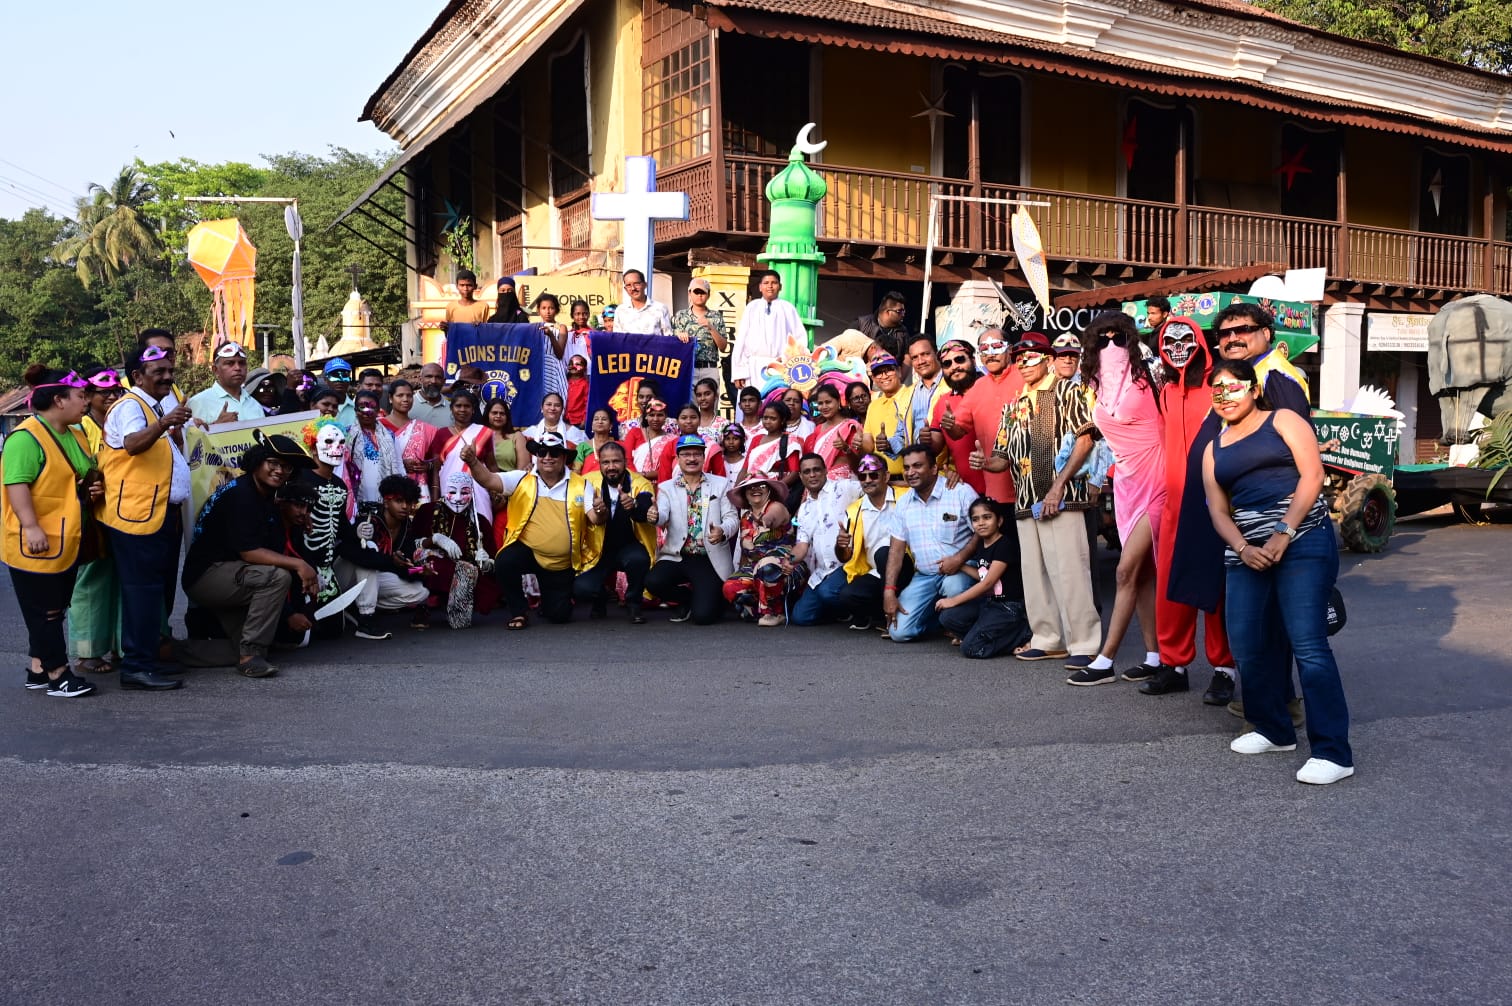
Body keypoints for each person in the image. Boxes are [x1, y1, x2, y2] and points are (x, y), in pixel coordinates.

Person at [1202, 358, 1353, 785]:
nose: (1224, 395)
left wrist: (1283, 533)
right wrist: (1243, 547)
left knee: (1307, 644)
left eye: (1233, 386)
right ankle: (1272, 728)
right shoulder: (1214, 448)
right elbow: (1217, 508)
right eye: (1217, 389)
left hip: (1302, 539)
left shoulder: (1283, 419)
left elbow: (1312, 475)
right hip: (1246, 553)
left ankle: (1333, 752)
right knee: (1247, 643)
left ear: (1253, 390)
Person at [980, 333, 1102, 671]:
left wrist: (1058, 487)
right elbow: (1001, 458)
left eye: (1031, 355)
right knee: (1035, 574)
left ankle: (1084, 643)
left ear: (1048, 358)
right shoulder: (1015, 402)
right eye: (1018, 356)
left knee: (1070, 571)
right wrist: (983, 462)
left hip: (1061, 496)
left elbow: (1086, 437)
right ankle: (1048, 639)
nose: (1023, 361)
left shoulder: (1067, 390)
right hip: (1025, 500)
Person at [1074, 312, 1166, 687]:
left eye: (1119, 338)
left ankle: (1105, 659)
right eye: (1103, 338)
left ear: (1131, 339)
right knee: (1142, 575)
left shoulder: (1151, 377)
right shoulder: (1094, 384)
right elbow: (1093, 440)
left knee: (1125, 571)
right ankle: (1155, 656)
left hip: (1159, 480)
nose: (1112, 346)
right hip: (1126, 486)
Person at [181, 433, 320, 678]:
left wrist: (295, 524)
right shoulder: (242, 495)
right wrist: (301, 564)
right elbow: (249, 552)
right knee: (277, 577)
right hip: (207, 575)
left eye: (286, 467)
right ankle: (250, 656)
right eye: (273, 463)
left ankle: (171, 651)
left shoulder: (264, 496)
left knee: (240, 648)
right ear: (257, 461)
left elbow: (271, 546)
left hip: (233, 575)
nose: (279, 471)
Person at [1152, 314, 1238, 703]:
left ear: (1201, 342)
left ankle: (1224, 668)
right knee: (1172, 586)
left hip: (1213, 502)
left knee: (1216, 587)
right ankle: (1174, 665)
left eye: (1186, 339)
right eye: (1169, 341)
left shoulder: (1218, 388)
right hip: (1173, 503)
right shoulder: (1166, 391)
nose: (1177, 348)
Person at [101, 345, 194, 691]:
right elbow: (132, 444)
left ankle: (147, 659)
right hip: (137, 515)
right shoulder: (130, 405)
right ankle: (137, 666)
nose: (168, 377)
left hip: (157, 514)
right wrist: (164, 423)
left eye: (170, 371)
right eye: (159, 372)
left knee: (153, 592)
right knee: (141, 592)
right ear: (137, 377)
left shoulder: (153, 406)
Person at [4, 367, 101, 697]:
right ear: (59, 401)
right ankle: (59, 675)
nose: (85, 401)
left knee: (55, 608)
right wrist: (31, 526)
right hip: (34, 540)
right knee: (45, 611)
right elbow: (16, 484)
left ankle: (37, 669)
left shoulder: (73, 433)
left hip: (65, 536)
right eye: (79, 396)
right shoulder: (25, 437)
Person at [470, 431, 589, 628]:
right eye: (542, 453)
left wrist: (600, 511)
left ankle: (549, 603)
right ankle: (519, 611)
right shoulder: (521, 478)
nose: (547, 458)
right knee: (505, 561)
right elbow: (488, 480)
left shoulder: (581, 485)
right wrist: (473, 461)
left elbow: (595, 516)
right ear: (536, 456)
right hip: (528, 551)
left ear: (564, 457)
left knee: (559, 615)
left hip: (560, 562)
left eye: (554, 453)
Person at [295, 417, 398, 640]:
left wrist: (358, 532)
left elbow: (341, 528)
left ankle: (366, 618)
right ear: (313, 447)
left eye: (341, 443)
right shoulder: (299, 480)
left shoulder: (340, 485)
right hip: (302, 566)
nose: (337, 448)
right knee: (312, 634)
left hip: (331, 567)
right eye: (329, 442)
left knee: (367, 548)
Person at [880, 445, 977, 642]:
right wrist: (889, 591)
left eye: (917, 466)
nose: (910, 472)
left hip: (961, 571)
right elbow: (896, 551)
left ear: (934, 469)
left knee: (953, 586)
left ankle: (964, 620)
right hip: (924, 577)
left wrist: (959, 559)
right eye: (906, 467)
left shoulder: (960, 492)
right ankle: (942, 621)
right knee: (899, 633)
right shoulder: (904, 504)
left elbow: (982, 533)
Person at [646, 434, 738, 624]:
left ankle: (709, 598)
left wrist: (722, 531)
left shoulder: (720, 484)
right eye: (686, 454)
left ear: (703, 458)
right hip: (678, 555)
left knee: (703, 617)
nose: (691, 459)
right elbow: (662, 513)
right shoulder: (666, 487)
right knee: (653, 582)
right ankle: (686, 598)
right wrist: (655, 516)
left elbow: (732, 519)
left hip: (708, 557)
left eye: (697, 454)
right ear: (678, 459)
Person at [70, 365, 124, 673]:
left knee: (122, 578)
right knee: (92, 580)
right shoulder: (81, 428)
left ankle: (121, 645)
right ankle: (88, 651)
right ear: (88, 396)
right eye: (105, 393)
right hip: (92, 514)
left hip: (123, 511)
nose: (112, 397)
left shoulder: (123, 419)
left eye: (117, 392)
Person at [935, 498, 1032, 659]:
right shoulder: (982, 545)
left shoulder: (1004, 544)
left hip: (1008, 607)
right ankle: (983, 636)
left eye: (987, 517)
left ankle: (1022, 635)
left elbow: (988, 583)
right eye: (975, 519)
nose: (981, 523)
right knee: (947, 617)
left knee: (971, 649)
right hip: (990, 604)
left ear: (999, 521)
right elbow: (982, 575)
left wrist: (953, 600)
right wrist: (960, 566)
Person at [576, 440, 656, 623]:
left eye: (616, 461)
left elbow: (645, 508)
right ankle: (600, 598)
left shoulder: (640, 483)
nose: (611, 467)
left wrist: (634, 505)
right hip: (598, 550)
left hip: (630, 546)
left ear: (625, 462)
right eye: (606, 462)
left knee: (638, 560)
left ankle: (634, 603)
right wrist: (596, 511)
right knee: (581, 589)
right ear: (600, 464)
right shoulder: (587, 481)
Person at [412, 468, 500, 628]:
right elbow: (410, 545)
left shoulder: (480, 523)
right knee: (424, 555)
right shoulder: (427, 512)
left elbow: (493, 565)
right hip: (433, 565)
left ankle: (453, 606)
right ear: (445, 491)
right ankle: (421, 605)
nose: (458, 498)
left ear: (472, 493)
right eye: (452, 491)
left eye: (464, 492)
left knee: (460, 624)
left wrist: (486, 561)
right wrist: (435, 539)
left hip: (463, 575)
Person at [947, 328, 1023, 507]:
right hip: (997, 491)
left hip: (1032, 487)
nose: (990, 354)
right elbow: (957, 431)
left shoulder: (1026, 375)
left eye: (996, 346)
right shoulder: (978, 387)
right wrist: (949, 425)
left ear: (1010, 349)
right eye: (984, 349)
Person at [832, 453, 904, 630]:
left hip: (905, 567)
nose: (867, 480)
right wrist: (840, 545)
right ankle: (881, 616)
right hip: (875, 572)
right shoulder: (854, 509)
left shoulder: (905, 497)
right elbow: (845, 557)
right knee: (847, 595)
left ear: (886, 476)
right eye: (862, 476)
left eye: (873, 475)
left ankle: (896, 614)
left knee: (884, 553)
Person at [350, 475, 432, 630]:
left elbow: (402, 566)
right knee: (370, 550)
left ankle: (359, 606)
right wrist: (391, 561)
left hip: (377, 579)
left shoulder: (406, 525)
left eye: (408, 502)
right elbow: (355, 554)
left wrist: (420, 570)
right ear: (386, 502)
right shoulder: (369, 520)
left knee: (420, 593)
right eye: (399, 501)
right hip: (351, 577)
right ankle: (366, 616)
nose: (405, 506)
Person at [788, 453, 862, 626]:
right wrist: (787, 560)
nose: (812, 475)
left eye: (816, 470)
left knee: (827, 593)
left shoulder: (845, 488)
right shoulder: (804, 509)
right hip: (822, 572)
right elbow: (802, 545)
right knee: (800, 617)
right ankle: (835, 609)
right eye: (807, 472)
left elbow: (874, 485)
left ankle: (858, 611)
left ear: (825, 471)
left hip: (848, 565)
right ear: (800, 476)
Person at [722, 471, 801, 626]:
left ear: (769, 490)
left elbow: (773, 517)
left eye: (761, 486)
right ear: (745, 493)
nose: (755, 489)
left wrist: (765, 520)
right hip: (756, 568)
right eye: (750, 487)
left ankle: (774, 612)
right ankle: (762, 609)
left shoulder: (776, 506)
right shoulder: (745, 518)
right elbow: (746, 553)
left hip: (785, 566)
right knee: (730, 586)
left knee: (766, 566)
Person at [923, 340, 985, 495]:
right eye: (947, 364)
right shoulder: (942, 402)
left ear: (972, 360)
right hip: (966, 492)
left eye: (959, 359)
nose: (954, 367)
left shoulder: (989, 388)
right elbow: (935, 448)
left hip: (1004, 489)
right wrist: (926, 439)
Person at [425, 389, 496, 522]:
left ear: (473, 409)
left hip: (478, 492)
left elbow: (492, 466)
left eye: (467, 406)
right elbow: (436, 469)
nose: (462, 409)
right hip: (449, 492)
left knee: (480, 529)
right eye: (458, 406)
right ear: (451, 409)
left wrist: (496, 493)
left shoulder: (484, 433)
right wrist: (435, 499)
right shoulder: (442, 434)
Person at [732, 270, 804, 388]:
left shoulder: (788, 308)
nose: (770, 286)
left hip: (780, 366)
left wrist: (788, 358)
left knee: (776, 402)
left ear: (780, 287)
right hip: (753, 367)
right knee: (752, 402)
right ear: (760, 287)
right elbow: (741, 340)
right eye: (766, 283)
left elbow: (800, 338)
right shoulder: (752, 307)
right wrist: (739, 372)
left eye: (774, 283)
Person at [382, 378, 436, 504]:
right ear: (390, 398)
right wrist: (400, 464)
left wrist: (427, 466)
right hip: (387, 488)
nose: (405, 399)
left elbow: (435, 461)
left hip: (418, 491)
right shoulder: (379, 426)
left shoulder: (424, 429)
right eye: (400, 395)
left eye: (409, 395)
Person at [861, 354, 914, 480]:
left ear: (899, 371)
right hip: (881, 482)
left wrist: (891, 444)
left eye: (889, 370)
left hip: (910, 480)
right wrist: (857, 442)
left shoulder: (912, 395)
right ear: (873, 378)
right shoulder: (873, 405)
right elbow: (868, 446)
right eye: (878, 373)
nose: (884, 376)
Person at [347, 389, 401, 505]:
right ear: (355, 410)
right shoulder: (346, 434)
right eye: (362, 407)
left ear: (378, 410)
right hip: (356, 492)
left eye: (372, 407)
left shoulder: (389, 435)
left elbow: (399, 465)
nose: (367, 412)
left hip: (384, 492)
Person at [674, 277, 731, 388]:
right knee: (689, 404)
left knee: (710, 403)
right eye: (696, 292)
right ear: (690, 293)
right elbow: (673, 343)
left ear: (708, 295)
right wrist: (679, 336)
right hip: (688, 368)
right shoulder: (680, 316)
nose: (699, 295)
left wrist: (710, 327)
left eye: (703, 292)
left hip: (709, 369)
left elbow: (723, 347)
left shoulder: (716, 316)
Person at [187, 342, 262, 425]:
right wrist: (217, 425)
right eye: (230, 363)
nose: (238, 368)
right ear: (215, 370)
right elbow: (189, 437)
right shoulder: (198, 402)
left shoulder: (255, 405)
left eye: (242, 363)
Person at [804, 383, 863, 480]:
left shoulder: (850, 426)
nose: (824, 407)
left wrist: (846, 448)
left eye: (828, 402)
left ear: (839, 402)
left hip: (845, 484)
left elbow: (859, 464)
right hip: (820, 483)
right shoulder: (818, 429)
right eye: (820, 403)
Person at [655, 404, 726, 482]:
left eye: (693, 417)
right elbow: (664, 477)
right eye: (684, 418)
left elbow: (720, 478)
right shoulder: (671, 446)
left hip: (706, 492)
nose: (688, 421)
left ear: (699, 421)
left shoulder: (711, 446)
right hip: (674, 492)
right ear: (677, 422)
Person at [741, 400, 801, 491]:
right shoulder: (756, 439)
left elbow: (795, 473)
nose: (768, 421)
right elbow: (744, 469)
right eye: (765, 418)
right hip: (751, 489)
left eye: (773, 418)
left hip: (775, 491)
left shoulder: (790, 441)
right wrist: (738, 490)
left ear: (782, 420)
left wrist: (775, 489)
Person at [905, 337, 949, 436]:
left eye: (925, 354)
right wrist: (889, 444)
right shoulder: (908, 393)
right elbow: (901, 432)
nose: (920, 361)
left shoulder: (952, 385)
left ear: (937, 354)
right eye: (915, 357)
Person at [613, 269, 675, 337]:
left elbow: (668, 336)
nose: (633, 288)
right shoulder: (620, 310)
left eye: (637, 284)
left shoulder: (660, 308)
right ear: (625, 289)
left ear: (645, 285)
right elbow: (617, 339)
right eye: (628, 285)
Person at [856, 291, 912, 365]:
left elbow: (907, 358)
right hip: (862, 374)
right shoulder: (861, 324)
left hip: (889, 375)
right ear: (888, 312)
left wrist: (900, 376)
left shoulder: (903, 332)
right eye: (900, 311)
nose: (903, 314)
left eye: (904, 311)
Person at [482, 397, 528, 474]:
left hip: (511, 483)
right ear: (487, 415)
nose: (498, 416)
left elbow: (522, 470)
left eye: (502, 413)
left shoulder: (517, 437)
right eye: (494, 413)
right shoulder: (479, 436)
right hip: (481, 483)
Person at [627, 398, 671, 476]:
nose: (655, 419)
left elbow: (668, 468)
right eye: (651, 415)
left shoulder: (671, 440)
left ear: (665, 417)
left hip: (660, 483)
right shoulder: (634, 433)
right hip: (635, 482)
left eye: (660, 415)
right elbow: (626, 459)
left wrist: (645, 475)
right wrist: (637, 477)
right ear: (646, 416)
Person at [575, 407, 620, 475]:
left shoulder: (618, 446)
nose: (600, 422)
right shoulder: (582, 447)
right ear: (592, 425)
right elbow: (576, 471)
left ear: (610, 426)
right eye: (596, 419)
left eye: (604, 419)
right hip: (587, 483)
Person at [410, 362, 452, 428]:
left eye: (438, 377)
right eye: (429, 376)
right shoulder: (407, 405)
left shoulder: (452, 408)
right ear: (420, 379)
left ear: (444, 381)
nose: (433, 381)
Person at [322, 358, 358, 427]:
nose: (340, 380)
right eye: (335, 375)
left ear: (349, 380)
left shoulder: (357, 409)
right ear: (325, 379)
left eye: (344, 375)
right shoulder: (318, 408)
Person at [565, 301, 595, 375]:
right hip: (571, 375)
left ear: (588, 314)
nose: (581, 317)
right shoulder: (568, 334)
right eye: (577, 314)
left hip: (589, 373)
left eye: (584, 313)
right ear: (572, 315)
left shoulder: (594, 334)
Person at [564, 354, 589, 427]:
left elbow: (587, 403)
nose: (573, 366)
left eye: (577, 364)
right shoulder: (565, 381)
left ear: (584, 368)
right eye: (571, 364)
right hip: (565, 418)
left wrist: (584, 419)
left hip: (578, 421)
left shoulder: (585, 384)